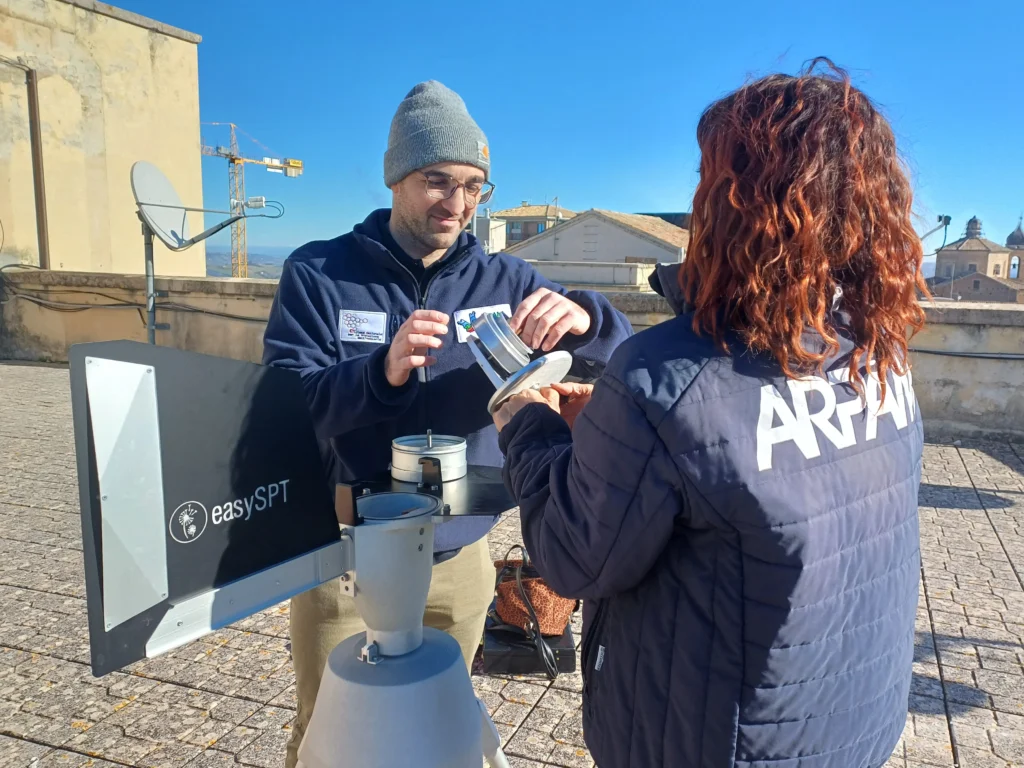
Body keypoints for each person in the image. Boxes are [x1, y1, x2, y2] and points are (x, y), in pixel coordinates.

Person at [493, 60, 927, 768]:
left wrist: (527, 424)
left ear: (738, 203)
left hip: (709, 741)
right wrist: (617, 436)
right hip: (850, 728)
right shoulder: (880, 350)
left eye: (707, 180)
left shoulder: (666, 378)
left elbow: (573, 558)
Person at [261, 80, 632, 767]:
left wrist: (590, 320)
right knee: (327, 735)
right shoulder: (318, 273)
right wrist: (382, 371)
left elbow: (618, 360)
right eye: (438, 180)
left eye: (474, 186)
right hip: (347, 557)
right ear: (397, 177)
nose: (457, 204)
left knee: (435, 730)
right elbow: (285, 405)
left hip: (459, 560)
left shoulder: (510, 280)